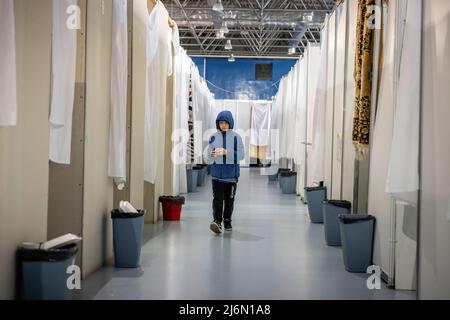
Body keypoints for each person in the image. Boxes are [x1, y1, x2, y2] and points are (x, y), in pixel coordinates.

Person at [205, 111, 245, 234]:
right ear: (218, 123)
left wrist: (226, 152)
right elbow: (208, 157)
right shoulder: (213, 137)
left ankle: (227, 220)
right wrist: (211, 154)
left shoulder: (236, 137)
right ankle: (217, 221)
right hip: (217, 177)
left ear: (230, 123)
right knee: (217, 200)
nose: (223, 125)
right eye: (221, 123)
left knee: (229, 201)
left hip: (231, 177)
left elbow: (241, 155)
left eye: (226, 123)